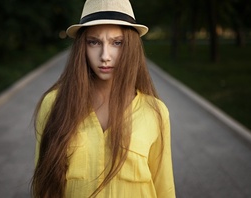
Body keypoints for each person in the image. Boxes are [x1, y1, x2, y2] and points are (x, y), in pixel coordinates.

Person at [31, 0, 176, 197]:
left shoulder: (155, 111)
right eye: (94, 42)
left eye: (117, 43)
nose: (105, 55)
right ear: (82, 46)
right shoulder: (54, 104)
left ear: (131, 47)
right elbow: (43, 187)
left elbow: (164, 186)